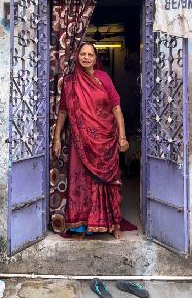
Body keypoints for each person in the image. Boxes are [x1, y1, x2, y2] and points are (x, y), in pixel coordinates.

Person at [53, 42, 129, 239]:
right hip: (81, 142)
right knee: (81, 183)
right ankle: (81, 225)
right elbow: (63, 112)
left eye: (90, 55)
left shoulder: (104, 78)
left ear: (96, 59)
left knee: (108, 182)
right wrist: (57, 139)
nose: (86, 57)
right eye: (83, 54)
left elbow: (116, 108)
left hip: (105, 141)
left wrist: (122, 136)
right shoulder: (70, 83)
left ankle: (112, 224)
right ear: (77, 56)